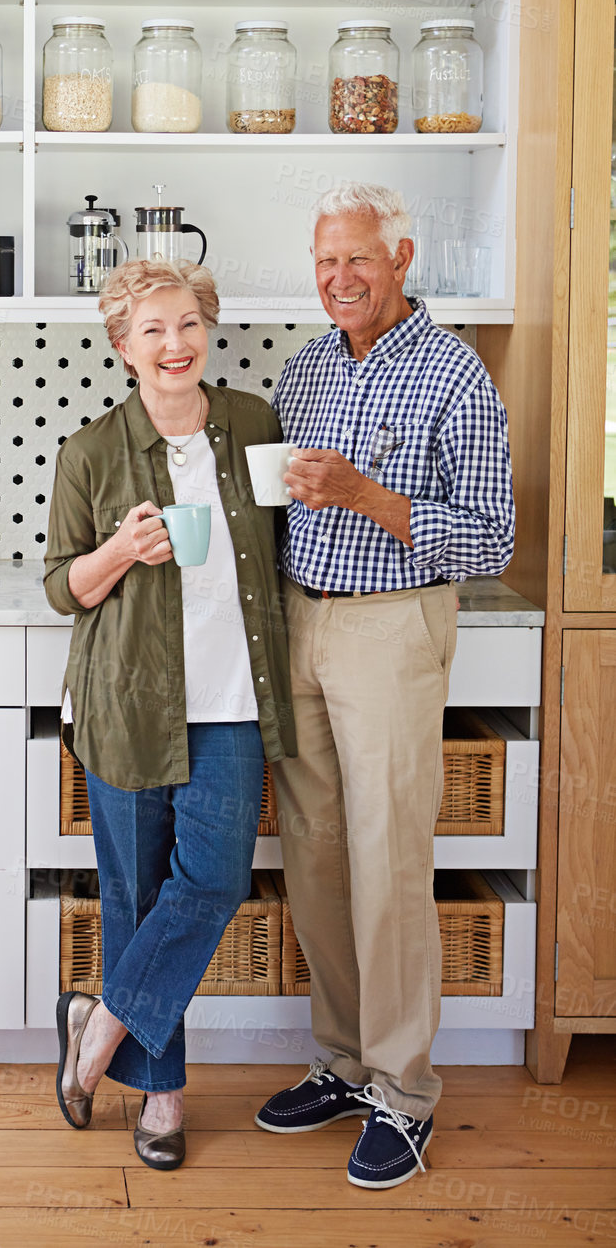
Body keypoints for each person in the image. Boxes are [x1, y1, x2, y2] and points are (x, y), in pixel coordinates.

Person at [254, 182, 514, 1190]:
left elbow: (487, 536)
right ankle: (343, 1060)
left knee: (388, 857)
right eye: (324, 261)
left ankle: (403, 1092)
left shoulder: (454, 374)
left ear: (401, 257)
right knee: (312, 853)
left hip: (390, 626)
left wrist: (364, 492)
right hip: (300, 620)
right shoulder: (305, 367)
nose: (338, 279)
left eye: (356, 259)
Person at [44, 257, 295, 1171]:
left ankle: (101, 1021)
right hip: (127, 704)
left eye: (187, 324)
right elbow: (61, 589)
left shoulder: (252, 424)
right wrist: (117, 551)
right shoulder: (91, 452)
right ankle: (163, 1093)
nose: (173, 344)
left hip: (232, 700)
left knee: (214, 883)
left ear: (208, 329)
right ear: (122, 348)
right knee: (134, 895)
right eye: (150, 330)